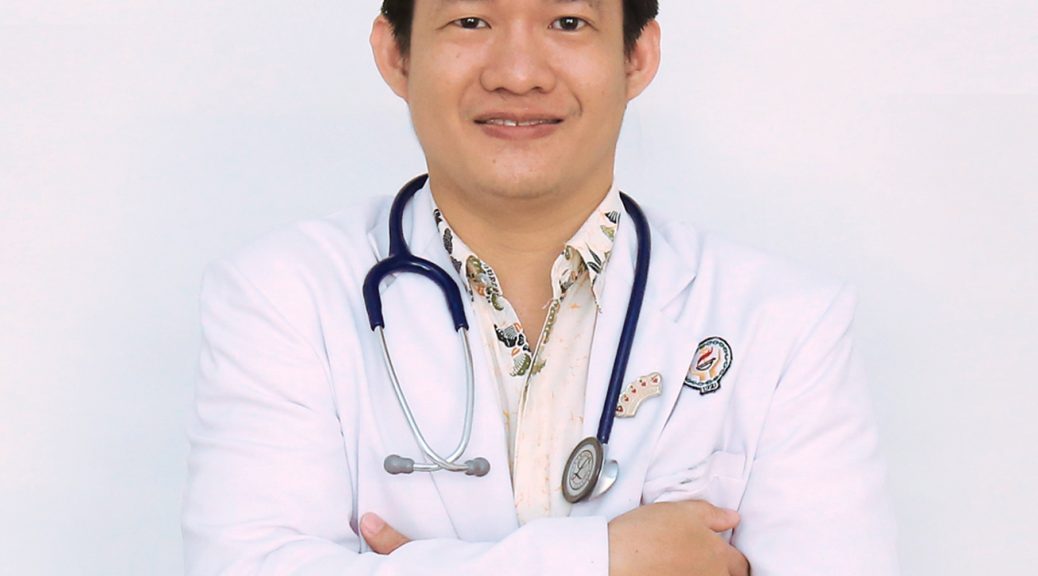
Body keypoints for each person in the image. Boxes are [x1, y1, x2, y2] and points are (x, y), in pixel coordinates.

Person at [182, 1, 899, 574]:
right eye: (471, 20)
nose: (518, 74)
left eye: (568, 22)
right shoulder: (281, 297)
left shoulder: (785, 322)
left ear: (638, 55)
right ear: (396, 53)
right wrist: (608, 559)